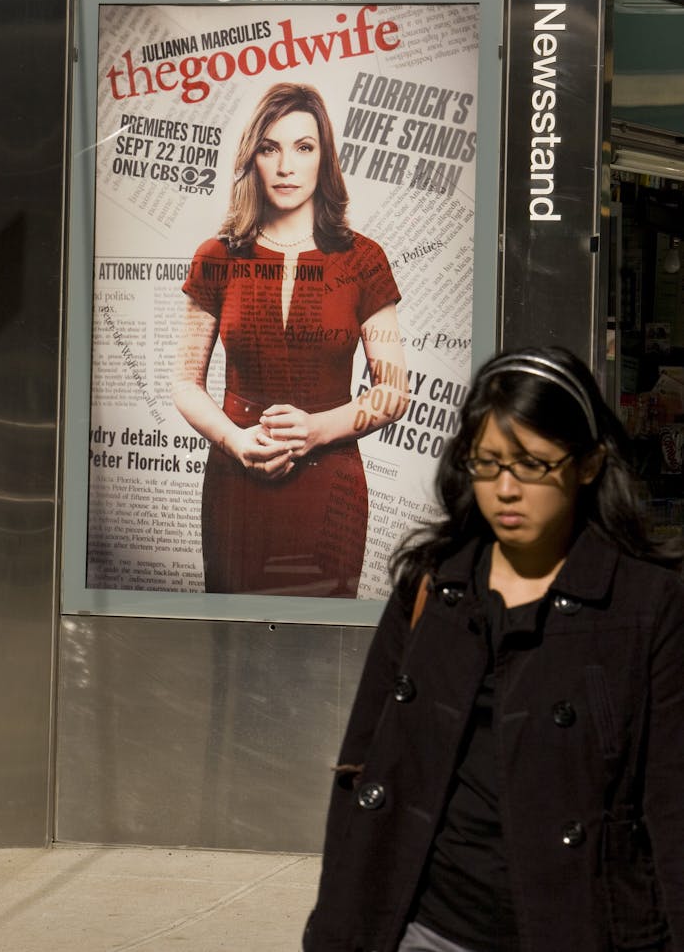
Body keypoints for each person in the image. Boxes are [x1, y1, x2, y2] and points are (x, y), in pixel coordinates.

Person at [304, 346, 684, 951]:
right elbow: (364, 769)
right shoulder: (432, 584)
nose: (507, 490)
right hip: (426, 928)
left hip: (578, 926)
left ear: (587, 465)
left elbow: (670, 802)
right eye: (488, 463)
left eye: (533, 466)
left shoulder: (646, 605)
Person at [173, 82, 409, 596]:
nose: (285, 166)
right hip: (237, 480)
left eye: (303, 147)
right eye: (269, 147)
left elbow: (393, 392)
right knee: (231, 652)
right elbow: (186, 385)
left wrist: (317, 430)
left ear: (324, 158)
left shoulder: (364, 260)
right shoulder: (216, 256)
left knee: (322, 656)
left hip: (330, 488)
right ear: (251, 158)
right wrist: (235, 441)